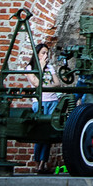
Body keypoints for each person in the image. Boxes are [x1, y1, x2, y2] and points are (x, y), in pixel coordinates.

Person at [25, 43, 61, 174]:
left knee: (48, 133)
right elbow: (36, 83)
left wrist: (48, 86)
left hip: (52, 101)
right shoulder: (30, 68)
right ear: (37, 54)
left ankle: (43, 163)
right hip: (40, 102)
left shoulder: (50, 67)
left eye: (47, 53)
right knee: (39, 132)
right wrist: (40, 66)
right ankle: (37, 161)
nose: (46, 56)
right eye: (43, 53)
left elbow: (57, 83)